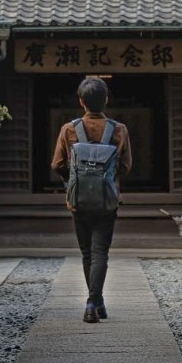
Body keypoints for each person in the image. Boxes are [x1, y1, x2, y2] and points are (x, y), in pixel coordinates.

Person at [51, 76, 132, 323]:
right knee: (100, 252)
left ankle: (94, 301)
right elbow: (126, 167)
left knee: (87, 253)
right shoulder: (119, 130)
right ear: (106, 99)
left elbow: (57, 164)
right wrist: (106, 177)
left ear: (81, 101)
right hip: (107, 201)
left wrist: (74, 180)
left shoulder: (68, 129)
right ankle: (95, 302)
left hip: (78, 200)